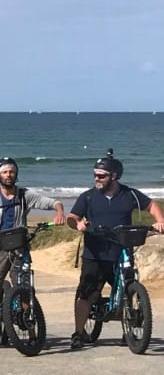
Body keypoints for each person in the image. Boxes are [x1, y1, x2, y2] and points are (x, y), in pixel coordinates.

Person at [66, 150, 164, 350]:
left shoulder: (130, 195)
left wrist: (160, 220)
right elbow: (72, 217)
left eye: (101, 175)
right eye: (95, 174)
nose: (97, 178)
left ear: (114, 176)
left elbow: (151, 205)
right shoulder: (88, 197)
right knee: (86, 293)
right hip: (95, 254)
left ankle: (127, 331)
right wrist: (78, 224)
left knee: (128, 290)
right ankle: (78, 333)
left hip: (121, 251)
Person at [0, 158, 66, 351]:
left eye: (11, 171)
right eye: (5, 172)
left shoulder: (25, 195)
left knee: (25, 291)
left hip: (20, 248)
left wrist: (59, 211)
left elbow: (52, 202)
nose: (9, 175)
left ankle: (32, 335)